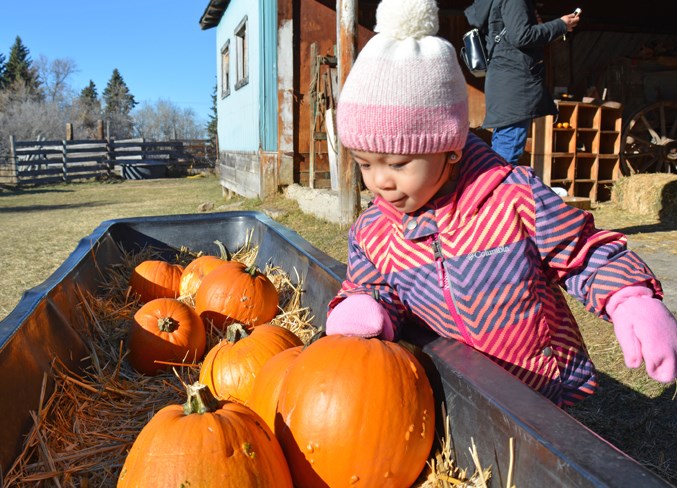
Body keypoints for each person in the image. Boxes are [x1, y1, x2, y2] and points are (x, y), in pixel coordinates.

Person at [325, 0, 677, 407]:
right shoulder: (373, 232)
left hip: (544, 387)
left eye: (399, 163)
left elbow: (581, 252)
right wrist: (364, 304)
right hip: (460, 392)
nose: (380, 181)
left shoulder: (512, 197)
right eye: (365, 164)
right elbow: (375, 285)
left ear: (449, 149)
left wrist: (628, 297)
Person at [464, 0, 580, 164]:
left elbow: (514, 36)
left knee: (501, 150)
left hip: (503, 79)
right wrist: (560, 25)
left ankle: (493, 187)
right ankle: (499, 189)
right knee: (506, 157)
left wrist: (539, 26)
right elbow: (522, 36)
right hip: (515, 82)